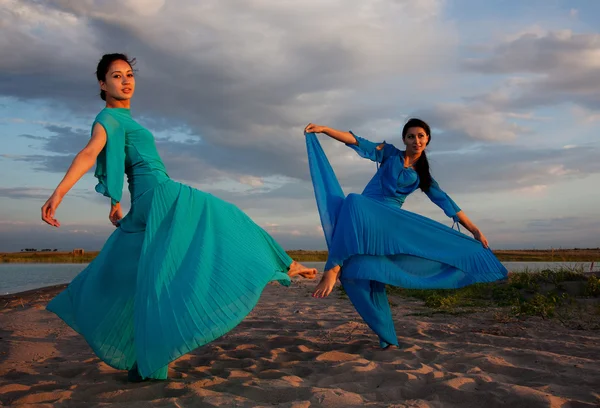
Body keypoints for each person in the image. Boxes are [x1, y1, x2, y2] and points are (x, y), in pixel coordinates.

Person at [41, 53, 316, 381]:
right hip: (160, 195)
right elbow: (90, 153)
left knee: (145, 275)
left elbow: (120, 162)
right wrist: (58, 193)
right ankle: (284, 264)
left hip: (145, 201)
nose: (126, 81)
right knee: (226, 217)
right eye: (116, 76)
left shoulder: (121, 120)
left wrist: (116, 202)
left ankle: (146, 363)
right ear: (102, 84)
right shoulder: (108, 119)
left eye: (129, 74)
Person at [303, 119, 507, 349]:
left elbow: (447, 203)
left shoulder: (423, 176)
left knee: (353, 204)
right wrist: (325, 130)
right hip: (365, 216)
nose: (416, 141)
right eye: (411, 136)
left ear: (427, 139)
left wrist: (475, 230)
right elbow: (357, 141)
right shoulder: (389, 154)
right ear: (404, 140)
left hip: (388, 222)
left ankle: (332, 269)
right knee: (359, 274)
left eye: (421, 136)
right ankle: (386, 336)